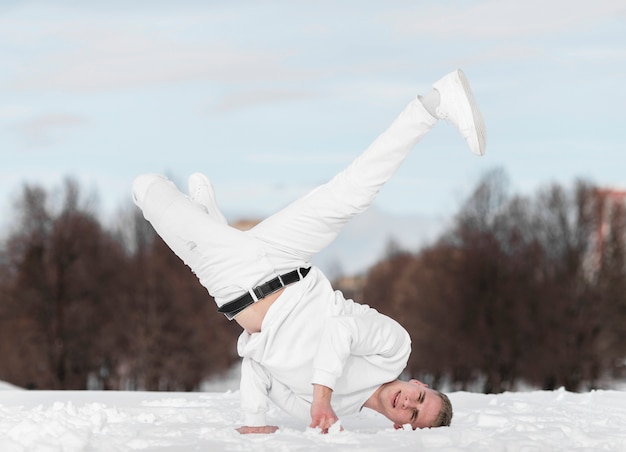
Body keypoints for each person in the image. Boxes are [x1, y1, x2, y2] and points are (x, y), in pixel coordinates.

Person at [132, 69, 486, 434]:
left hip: (236, 282)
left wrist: (254, 423)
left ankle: (212, 226)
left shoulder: (318, 410)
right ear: (420, 385)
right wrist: (322, 398)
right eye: (420, 399)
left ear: (401, 427)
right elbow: (341, 332)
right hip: (289, 260)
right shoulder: (395, 350)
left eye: (412, 415)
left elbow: (258, 368)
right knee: (350, 193)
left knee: (146, 188)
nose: (408, 404)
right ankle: (435, 103)